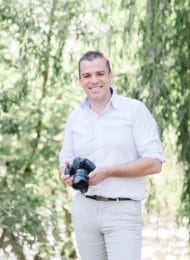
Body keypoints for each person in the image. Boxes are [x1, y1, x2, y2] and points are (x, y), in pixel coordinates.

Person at [59, 51, 165, 260]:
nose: (94, 80)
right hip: (84, 208)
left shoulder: (134, 111)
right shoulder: (75, 118)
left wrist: (108, 171)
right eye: (87, 75)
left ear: (110, 75)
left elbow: (155, 163)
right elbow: (64, 161)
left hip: (122, 209)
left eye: (100, 73)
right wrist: (65, 173)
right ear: (80, 80)